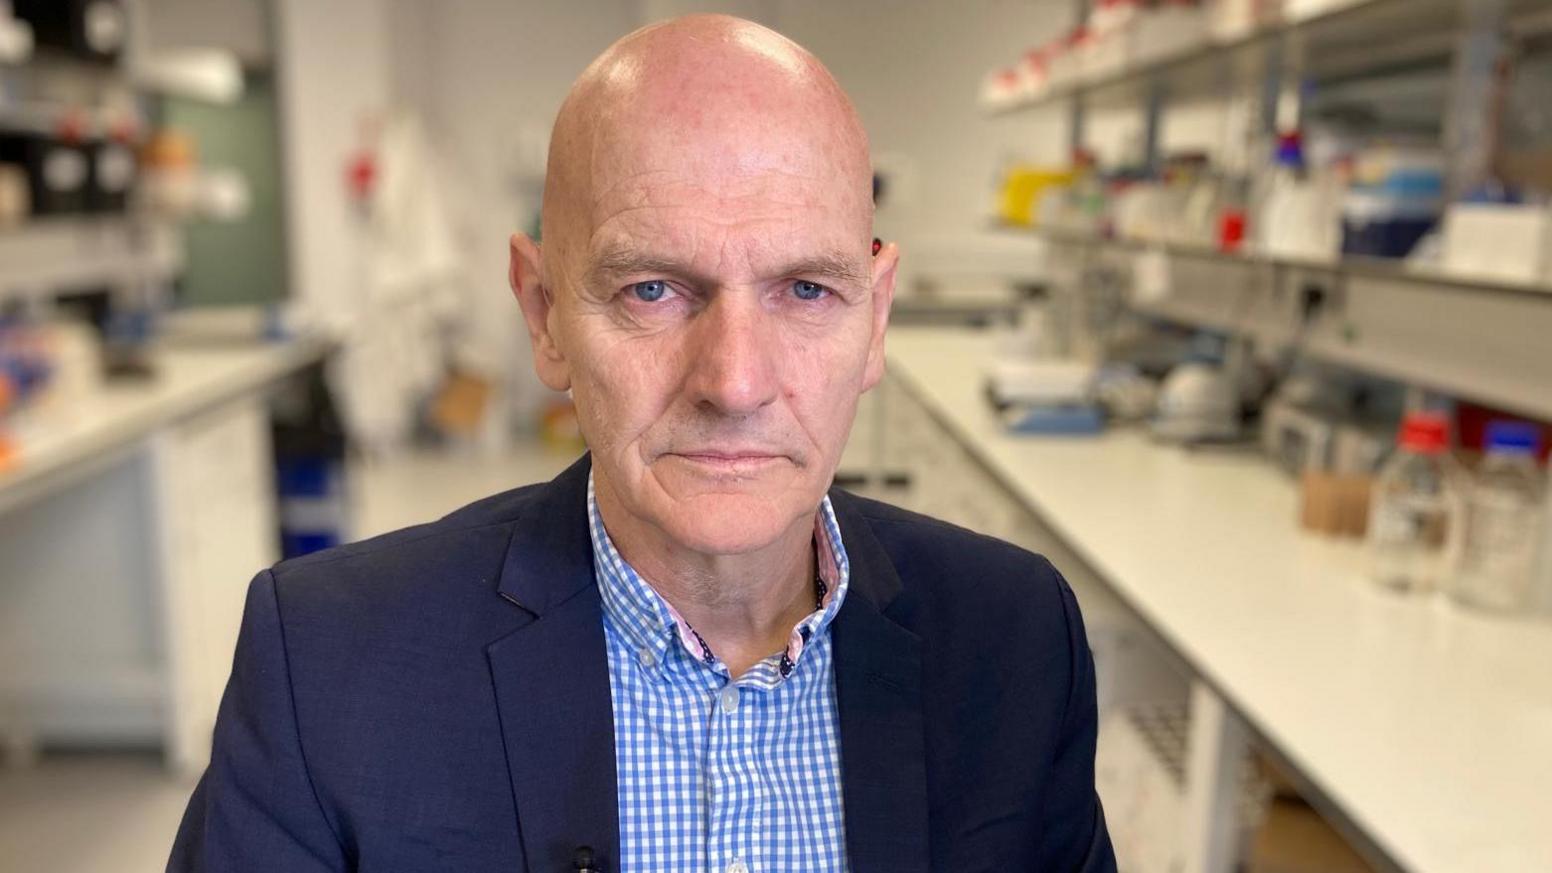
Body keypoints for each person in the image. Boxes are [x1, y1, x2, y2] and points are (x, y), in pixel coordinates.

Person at [168, 14, 1115, 873]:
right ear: (544, 315)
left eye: (807, 291)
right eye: (653, 289)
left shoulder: (1015, 642)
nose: (735, 382)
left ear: (875, 320)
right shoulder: (332, 669)